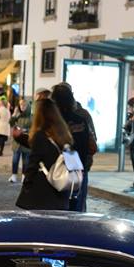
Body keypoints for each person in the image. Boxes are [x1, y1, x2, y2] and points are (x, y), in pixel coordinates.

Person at [16, 98, 74, 212]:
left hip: (44, 190)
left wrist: (27, 183)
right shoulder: (64, 135)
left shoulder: (41, 136)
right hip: (61, 189)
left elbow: (33, 162)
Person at [51, 83, 95, 213]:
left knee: (59, 210)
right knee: (77, 208)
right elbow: (92, 145)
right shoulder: (83, 117)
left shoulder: (55, 121)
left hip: (59, 170)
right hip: (79, 168)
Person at [9, 96, 32, 182]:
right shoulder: (17, 115)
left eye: (24, 105)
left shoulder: (31, 117)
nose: (22, 107)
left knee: (26, 160)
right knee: (15, 159)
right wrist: (14, 115)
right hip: (17, 141)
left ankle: (24, 176)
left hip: (26, 141)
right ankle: (14, 175)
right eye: (21, 105)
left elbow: (34, 129)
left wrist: (26, 130)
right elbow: (11, 123)